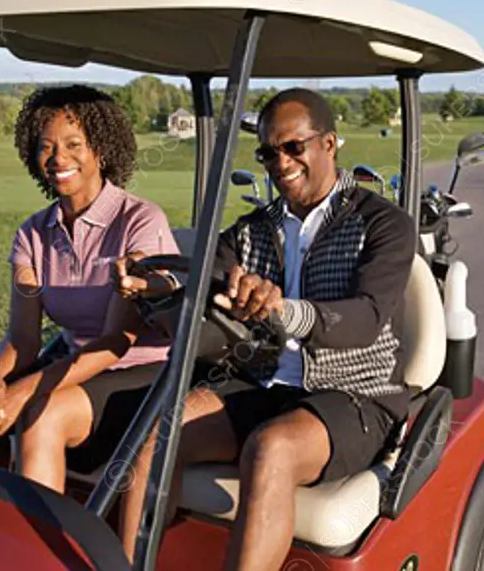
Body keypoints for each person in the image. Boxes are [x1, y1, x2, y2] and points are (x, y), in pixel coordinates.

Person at [116, 88, 417, 570]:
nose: (280, 162)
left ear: (330, 144)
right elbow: (205, 273)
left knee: (270, 448)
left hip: (356, 393)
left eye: (293, 147)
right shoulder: (253, 229)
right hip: (264, 381)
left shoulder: (381, 223)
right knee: (161, 432)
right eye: (268, 152)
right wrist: (157, 283)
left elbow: (365, 317)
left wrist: (283, 311)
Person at [0, 84, 180, 494]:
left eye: (73, 144)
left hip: (141, 373)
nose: (58, 158)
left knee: (41, 414)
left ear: (100, 149)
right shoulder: (33, 233)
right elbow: (23, 336)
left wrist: (24, 390)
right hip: (72, 366)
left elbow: (116, 341)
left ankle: (36, 553)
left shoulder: (139, 220)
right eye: (46, 147)